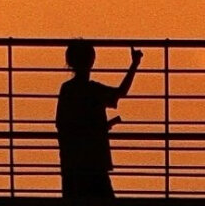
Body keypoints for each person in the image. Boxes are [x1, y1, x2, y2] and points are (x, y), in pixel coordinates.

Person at [55, 39, 143, 197]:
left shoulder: (67, 90)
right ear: (91, 61)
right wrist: (134, 64)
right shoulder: (94, 90)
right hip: (94, 163)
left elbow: (62, 125)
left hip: (72, 164)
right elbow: (121, 92)